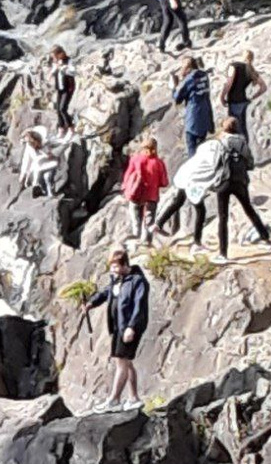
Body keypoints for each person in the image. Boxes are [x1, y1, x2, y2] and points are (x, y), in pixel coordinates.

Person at [83, 248, 150, 412]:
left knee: (121, 362)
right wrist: (91, 303)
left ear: (125, 264)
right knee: (126, 362)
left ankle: (114, 399)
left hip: (129, 327)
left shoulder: (138, 281)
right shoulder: (117, 280)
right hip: (118, 326)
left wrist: (131, 327)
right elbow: (107, 293)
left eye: (116, 267)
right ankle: (133, 398)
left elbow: (139, 306)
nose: (113, 270)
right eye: (111, 267)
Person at [150, 136, 229, 255]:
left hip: (184, 174)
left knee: (178, 201)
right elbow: (216, 171)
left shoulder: (203, 150)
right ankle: (197, 243)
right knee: (200, 211)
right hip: (193, 181)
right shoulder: (215, 156)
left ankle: (158, 223)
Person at [214, 117, 271, 264]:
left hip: (224, 182)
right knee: (249, 209)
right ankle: (265, 238)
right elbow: (250, 162)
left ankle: (223, 252)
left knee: (223, 217)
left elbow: (215, 163)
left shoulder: (220, 142)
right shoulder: (241, 141)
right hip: (240, 181)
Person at [121, 137, 169, 244]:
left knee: (135, 217)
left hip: (135, 194)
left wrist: (125, 187)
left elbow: (128, 174)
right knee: (149, 220)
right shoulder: (159, 163)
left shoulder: (135, 159)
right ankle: (147, 241)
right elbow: (164, 182)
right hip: (151, 196)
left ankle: (136, 236)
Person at [220, 51, 267, 141]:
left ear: (242, 56)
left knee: (234, 128)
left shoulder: (234, 66)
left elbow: (229, 83)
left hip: (234, 102)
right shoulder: (251, 70)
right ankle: (246, 149)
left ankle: (240, 151)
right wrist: (253, 97)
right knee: (243, 127)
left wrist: (222, 96)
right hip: (245, 102)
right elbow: (263, 87)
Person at [171, 55, 214, 156]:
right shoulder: (204, 75)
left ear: (187, 68)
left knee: (192, 151)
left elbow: (177, 98)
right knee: (202, 150)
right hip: (205, 116)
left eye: (182, 67)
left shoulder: (189, 79)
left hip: (193, 119)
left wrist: (175, 86)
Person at [19, 127, 60, 197]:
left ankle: (50, 191)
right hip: (38, 166)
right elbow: (26, 160)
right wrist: (23, 174)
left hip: (52, 163)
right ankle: (39, 188)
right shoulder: (29, 147)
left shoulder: (47, 141)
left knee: (47, 176)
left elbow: (58, 145)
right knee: (37, 176)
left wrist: (51, 154)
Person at [50, 46, 76, 140]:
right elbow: (52, 72)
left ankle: (71, 128)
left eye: (55, 56)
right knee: (57, 109)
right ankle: (61, 129)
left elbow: (73, 72)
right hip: (60, 88)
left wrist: (62, 68)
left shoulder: (69, 60)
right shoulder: (56, 62)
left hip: (68, 87)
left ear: (61, 54)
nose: (54, 58)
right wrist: (54, 69)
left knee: (62, 109)